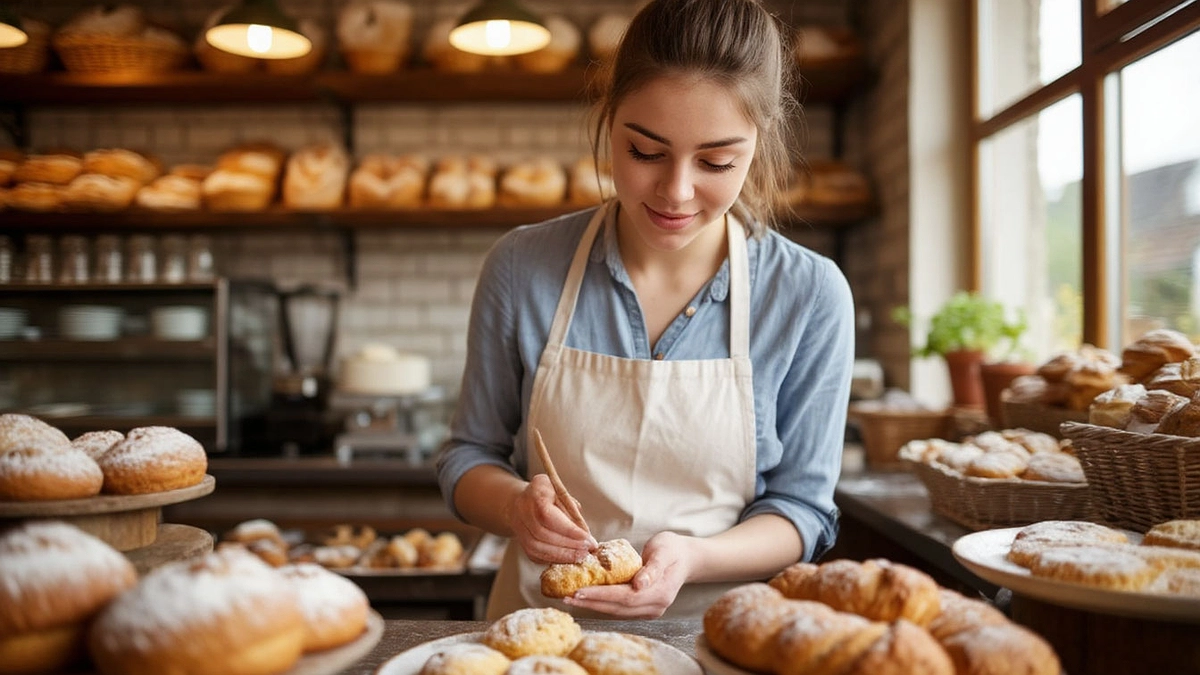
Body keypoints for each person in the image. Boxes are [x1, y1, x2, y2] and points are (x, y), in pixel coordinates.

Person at [436, 0, 855, 620]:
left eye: (716, 162)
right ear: (609, 123)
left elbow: (803, 510)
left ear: (758, 144)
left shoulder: (809, 293)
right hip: (539, 636)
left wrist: (694, 559)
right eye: (644, 152)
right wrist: (515, 506)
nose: (677, 191)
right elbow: (466, 457)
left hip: (718, 635)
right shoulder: (522, 267)